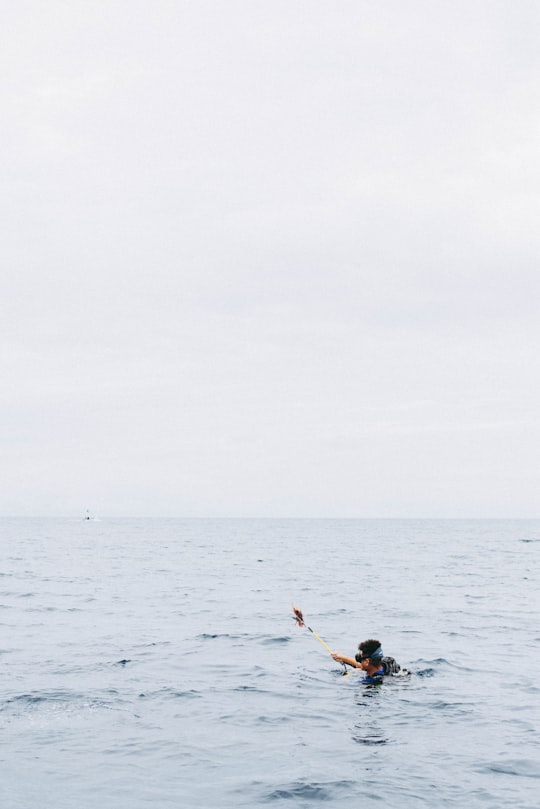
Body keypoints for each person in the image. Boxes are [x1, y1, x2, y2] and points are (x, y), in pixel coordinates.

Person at [331, 638, 402, 684]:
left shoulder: (371, 681)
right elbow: (363, 665)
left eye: (360, 658)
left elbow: (344, 682)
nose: (359, 660)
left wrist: (347, 675)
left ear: (367, 661)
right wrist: (342, 658)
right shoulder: (388, 662)